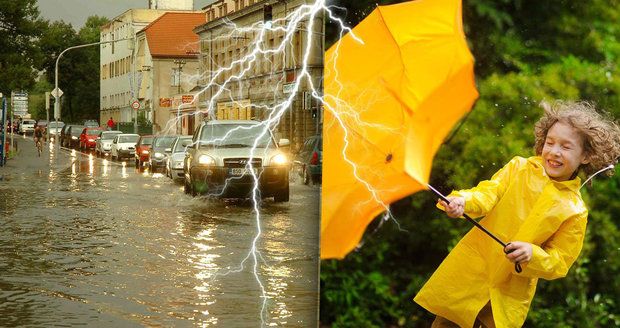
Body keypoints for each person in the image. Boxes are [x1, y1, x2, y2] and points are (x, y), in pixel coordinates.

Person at [414, 101, 620, 328]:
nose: (554, 151)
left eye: (566, 146)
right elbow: (487, 194)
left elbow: (560, 261)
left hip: (507, 296)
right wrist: (463, 201)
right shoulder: (519, 168)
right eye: (549, 143)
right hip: (471, 276)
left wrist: (532, 254)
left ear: (586, 156)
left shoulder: (575, 210)